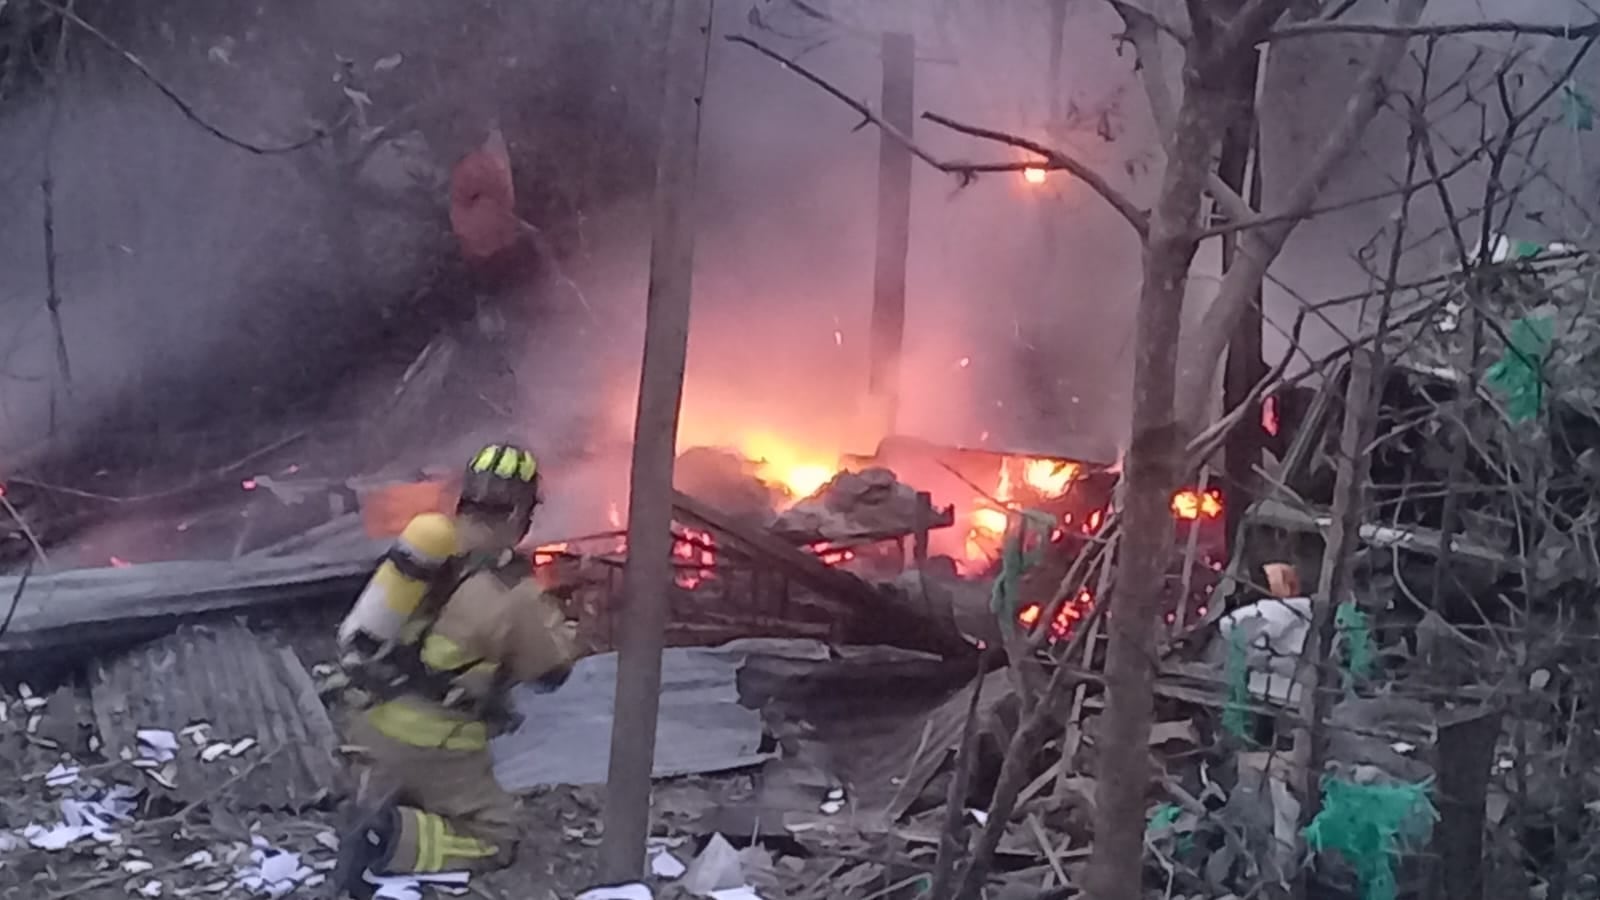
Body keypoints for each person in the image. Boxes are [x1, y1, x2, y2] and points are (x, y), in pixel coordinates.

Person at [333, 443, 580, 894]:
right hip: (439, 750)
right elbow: (551, 672)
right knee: (497, 835)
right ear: (518, 514)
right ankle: (387, 838)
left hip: (368, 728)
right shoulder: (514, 593)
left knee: (393, 780)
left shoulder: (424, 548)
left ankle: (379, 802)